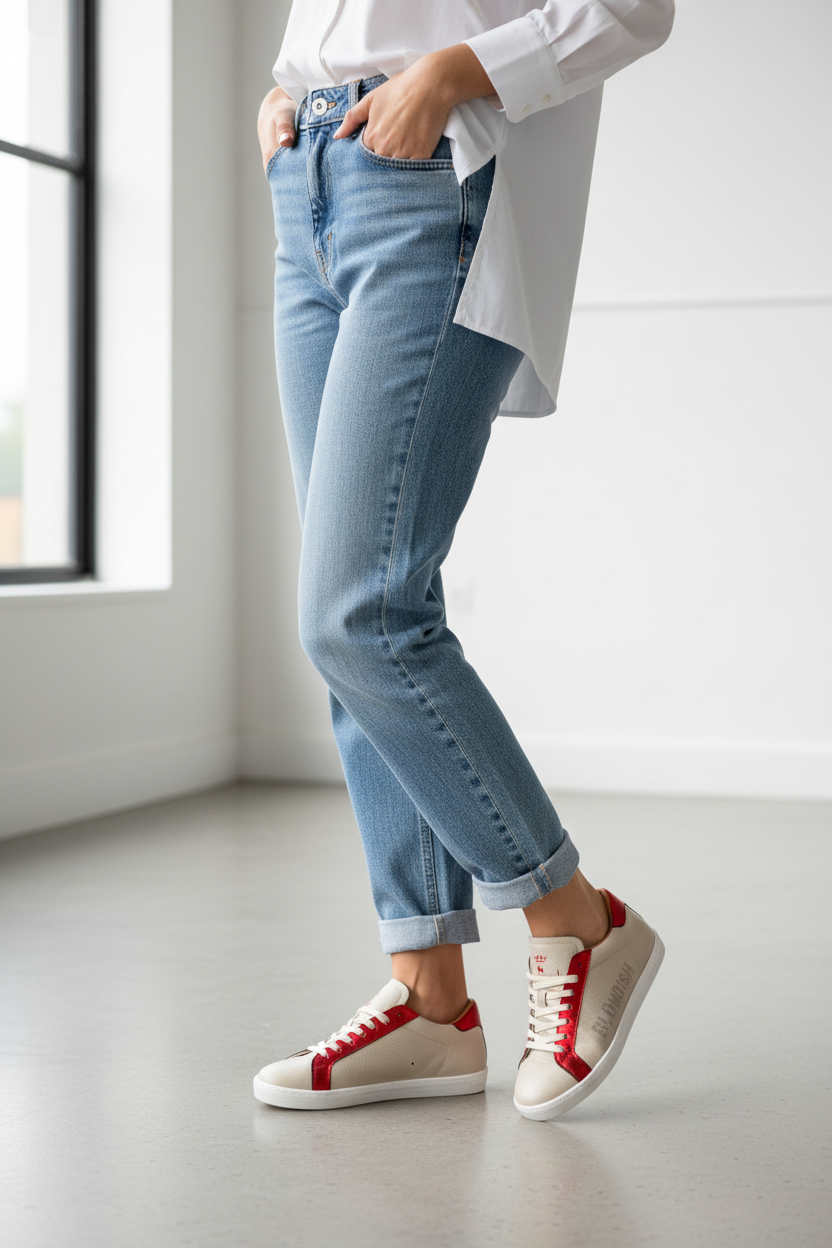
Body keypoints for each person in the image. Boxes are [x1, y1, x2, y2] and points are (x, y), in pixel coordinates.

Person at [252, 1, 674, 1121]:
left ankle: (578, 919)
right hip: (311, 176)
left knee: (360, 613)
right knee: (356, 618)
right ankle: (429, 993)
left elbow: (631, 10)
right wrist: (285, 91)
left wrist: (452, 72)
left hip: (436, 168)